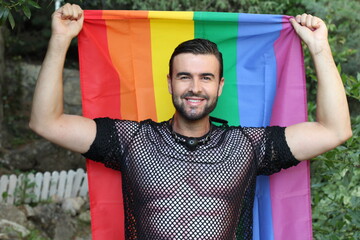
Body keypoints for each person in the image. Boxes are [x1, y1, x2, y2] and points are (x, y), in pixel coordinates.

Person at [29, 3, 352, 239]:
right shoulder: (130, 140)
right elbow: (47, 122)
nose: (195, 87)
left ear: (219, 86)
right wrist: (60, 39)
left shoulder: (249, 147)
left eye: (206, 78)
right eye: (185, 76)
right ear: (169, 82)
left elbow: (334, 130)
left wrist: (320, 47)